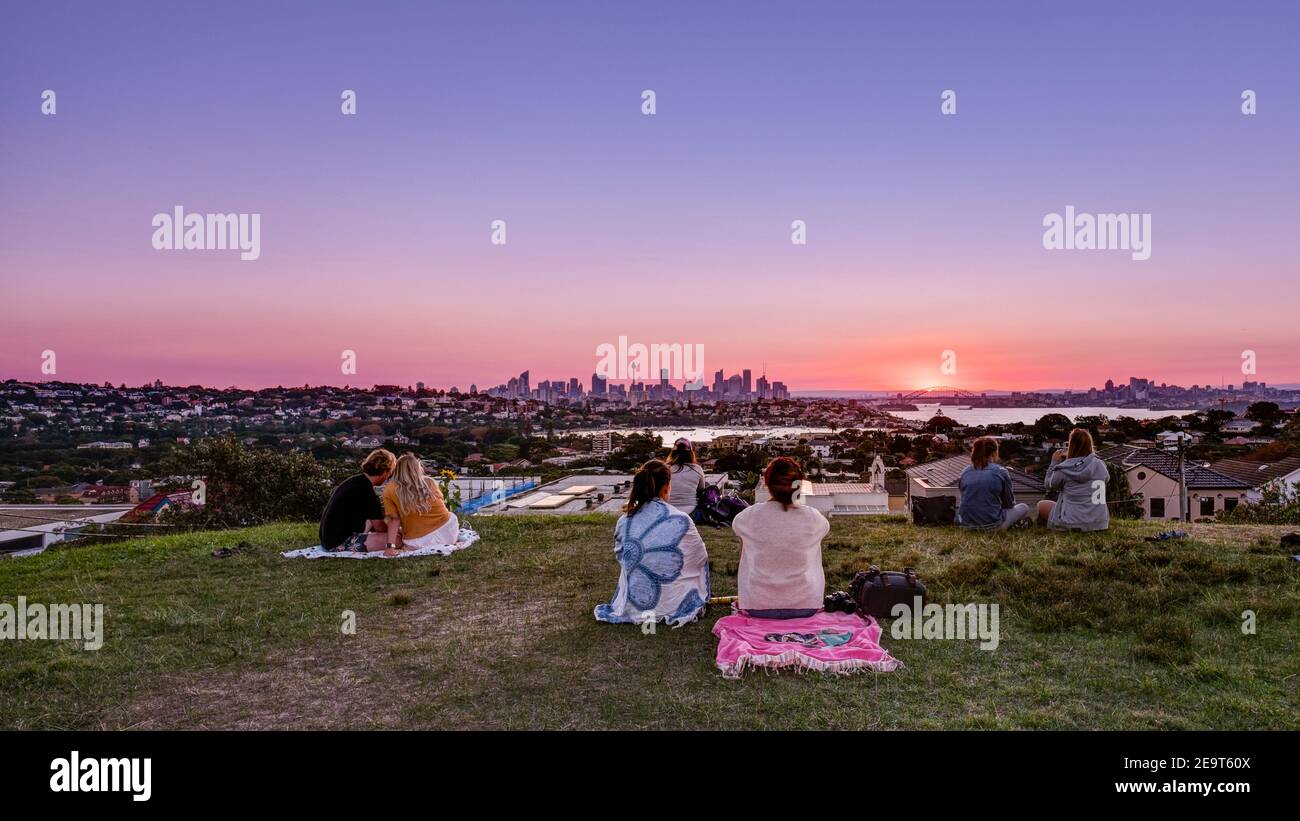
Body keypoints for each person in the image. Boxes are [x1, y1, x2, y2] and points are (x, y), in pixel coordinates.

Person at [595, 459, 710, 628]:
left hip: (634, 601)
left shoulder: (624, 520)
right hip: (672, 603)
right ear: (666, 487)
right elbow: (699, 558)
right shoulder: (681, 520)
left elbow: (622, 557)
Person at [732, 457, 829, 618]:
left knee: (747, 543)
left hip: (757, 606)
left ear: (767, 483)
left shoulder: (748, 517)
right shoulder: (814, 518)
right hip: (806, 606)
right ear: (798, 485)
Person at [381, 453, 460, 555]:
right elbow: (441, 505)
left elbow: (394, 519)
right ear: (417, 468)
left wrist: (389, 548)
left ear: (398, 469)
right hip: (448, 535)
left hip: (417, 543)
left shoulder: (390, 488)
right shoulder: (430, 482)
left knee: (402, 529)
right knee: (451, 516)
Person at [319, 449, 396, 552]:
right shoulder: (367, 492)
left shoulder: (354, 481)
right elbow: (380, 529)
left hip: (328, 538)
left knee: (374, 523)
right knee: (396, 539)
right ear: (385, 471)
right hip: (338, 542)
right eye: (389, 473)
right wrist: (395, 530)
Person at [1037, 428, 1110, 531]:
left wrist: (1053, 463)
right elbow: (1106, 480)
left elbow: (1049, 485)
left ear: (1071, 445)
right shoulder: (1100, 464)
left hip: (1072, 522)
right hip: (1099, 523)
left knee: (1041, 505)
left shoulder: (1064, 468)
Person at [956, 437, 1033, 530]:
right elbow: (1009, 504)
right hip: (992, 525)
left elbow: (965, 497)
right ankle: (1012, 525)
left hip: (965, 524)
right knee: (1024, 507)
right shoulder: (1001, 472)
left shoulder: (965, 472)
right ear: (994, 453)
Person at [665, 437, 706, 517]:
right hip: (690, 508)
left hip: (668, 508)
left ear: (673, 453)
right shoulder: (697, 469)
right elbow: (701, 490)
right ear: (691, 453)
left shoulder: (665, 469)